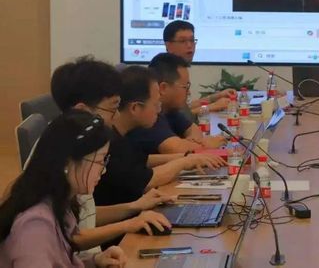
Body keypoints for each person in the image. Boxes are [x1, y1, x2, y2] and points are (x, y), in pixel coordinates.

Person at [50, 56, 173, 250]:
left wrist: (134, 207)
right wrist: (128, 224)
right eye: (113, 108)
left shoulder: (82, 144)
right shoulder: (62, 153)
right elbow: (70, 237)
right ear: (82, 110)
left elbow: (84, 216)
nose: (116, 116)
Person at [0, 111, 128, 267]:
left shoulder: (58, 202)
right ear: (67, 163)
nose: (104, 170)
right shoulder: (34, 227)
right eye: (100, 160)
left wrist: (95, 261)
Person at [93, 65, 226, 208]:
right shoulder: (109, 142)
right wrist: (183, 162)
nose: (159, 110)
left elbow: (142, 160)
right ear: (135, 108)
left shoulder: (124, 133)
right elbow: (147, 179)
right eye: (156, 104)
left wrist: (189, 157)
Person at [127, 53, 228, 155]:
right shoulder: (147, 113)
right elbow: (174, 148)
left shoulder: (170, 110)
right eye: (185, 87)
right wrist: (205, 145)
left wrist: (191, 144)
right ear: (163, 88)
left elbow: (194, 130)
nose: (189, 92)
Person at [163, 20, 235, 112]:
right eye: (182, 41)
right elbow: (174, 116)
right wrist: (211, 107)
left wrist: (217, 96)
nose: (189, 45)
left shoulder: (180, 68)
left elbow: (186, 107)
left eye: (192, 40)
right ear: (168, 45)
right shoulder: (163, 71)